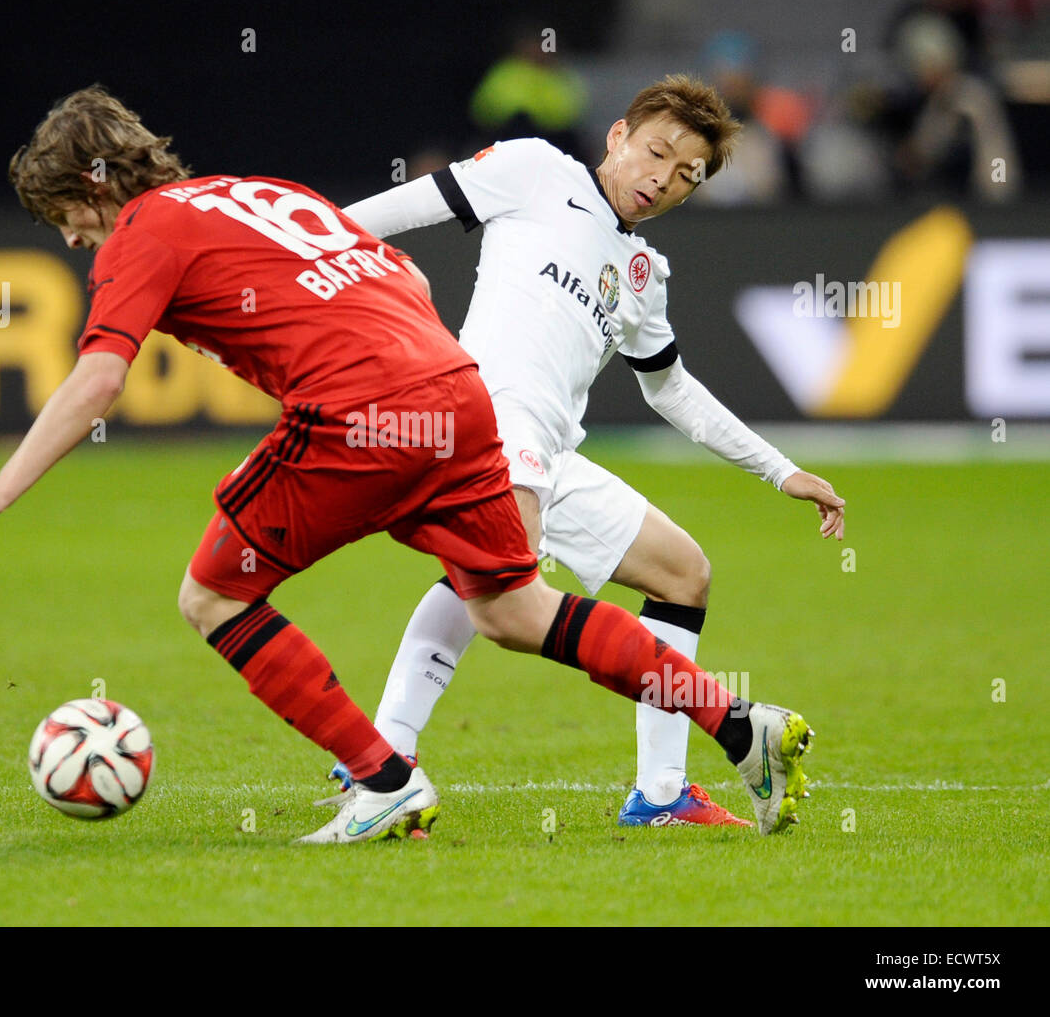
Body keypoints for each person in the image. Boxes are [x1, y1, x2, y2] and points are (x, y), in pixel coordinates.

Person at [0, 86, 813, 842]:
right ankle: (739, 723)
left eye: (66, 218)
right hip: (459, 396)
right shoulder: (260, 194)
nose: (72, 240)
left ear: (91, 184)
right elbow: (403, 276)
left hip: (364, 411)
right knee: (510, 605)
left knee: (213, 594)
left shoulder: (145, 227)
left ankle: (383, 776)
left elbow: (99, 380)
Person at [328, 74, 842, 827]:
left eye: (687, 175)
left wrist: (781, 468)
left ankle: (661, 792)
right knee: (500, 580)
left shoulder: (643, 273)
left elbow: (671, 391)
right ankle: (378, 761)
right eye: (657, 153)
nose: (663, 179)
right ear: (618, 137)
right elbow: (393, 211)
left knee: (682, 573)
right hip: (488, 420)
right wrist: (299, 250)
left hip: (551, 450)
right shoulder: (536, 170)